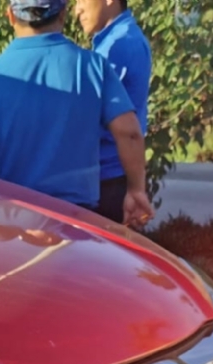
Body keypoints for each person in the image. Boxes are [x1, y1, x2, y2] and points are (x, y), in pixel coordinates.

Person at [0, 0, 153, 228]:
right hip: (79, 221)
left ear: (10, 16)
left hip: (11, 220)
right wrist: (136, 189)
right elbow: (129, 132)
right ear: (62, 15)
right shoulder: (94, 67)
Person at [75, 0, 151, 225]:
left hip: (106, 181)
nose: (77, 9)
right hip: (109, 176)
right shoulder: (115, 39)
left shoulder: (118, 45)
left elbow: (117, 125)